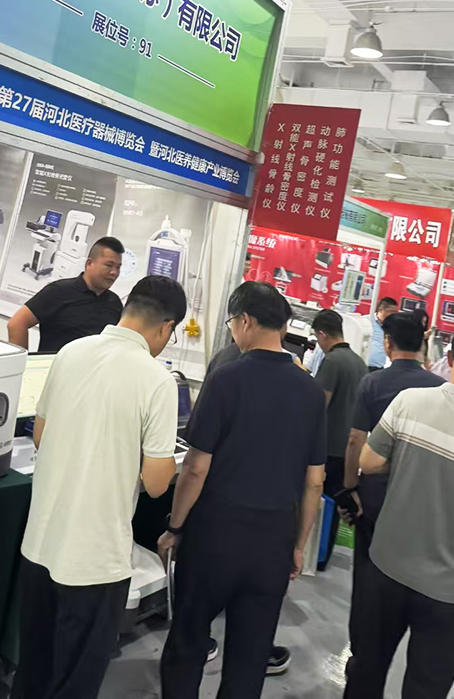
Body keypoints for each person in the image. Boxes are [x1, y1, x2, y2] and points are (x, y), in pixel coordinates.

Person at [14, 275, 185, 699]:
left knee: (32, 670)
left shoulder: (71, 352)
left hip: (39, 546)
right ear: (166, 327)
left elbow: (40, 435)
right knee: (75, 681)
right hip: (95, 561)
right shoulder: (157, 380)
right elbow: (157, 483)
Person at [158, 282, 326, 699]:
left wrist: (175, 527)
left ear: (246, 321)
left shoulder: (226, 378)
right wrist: (298, 545)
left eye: (232, 322)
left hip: (215, 532)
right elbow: (315, 481)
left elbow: (195, 468)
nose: (233, 331)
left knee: (189, 637)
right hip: (274, 537)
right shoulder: (309, 390)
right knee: (251, 652)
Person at [344, 328, 454, 699]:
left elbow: (369, 461)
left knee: (367, 670)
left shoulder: (409, 402)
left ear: (451, 360)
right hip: (451, 590)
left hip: (388, 568)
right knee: (427, 688)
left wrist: (408, 466)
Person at [342, 313, 443, 661]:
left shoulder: (373, 383)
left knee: (367, 574)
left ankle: (362, 651)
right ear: (422, 344)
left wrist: (351, 487)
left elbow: (355, 438)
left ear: (387, 343)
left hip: (376, 495)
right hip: (420, 496)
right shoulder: (438, 388)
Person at [313, 308, 368, 564]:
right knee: (335, 506)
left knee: (316, 501)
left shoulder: (332, 362)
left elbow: (319, 405)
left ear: (322, 334)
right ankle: (323, 556)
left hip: (326, 446)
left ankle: (312, 554)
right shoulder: (359, 363)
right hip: (348, 448)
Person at [7, 236, 124, 351]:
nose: (114, 272)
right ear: (89, 264)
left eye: (118, 267)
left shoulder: (114, 303)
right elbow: (17, 323)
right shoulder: (58, 291)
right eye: (109, 265)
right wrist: (23, 362)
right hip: (54, 363)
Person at [367, 296, 398, 370]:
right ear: (381, 310)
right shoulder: (367, 320)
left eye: (395, 312)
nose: (393, 315)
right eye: (391, 311)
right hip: (364, 364)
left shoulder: (392, 326)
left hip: (379, 366)